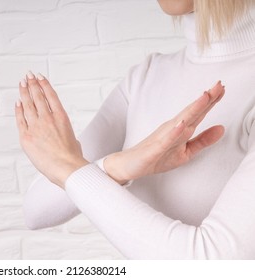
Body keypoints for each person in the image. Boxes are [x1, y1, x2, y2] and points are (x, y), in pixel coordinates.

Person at [15, 0, 255, 259]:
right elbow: (36, 209)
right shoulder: (149, 74)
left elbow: (213, 263)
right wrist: (118, 167)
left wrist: (69, 168)